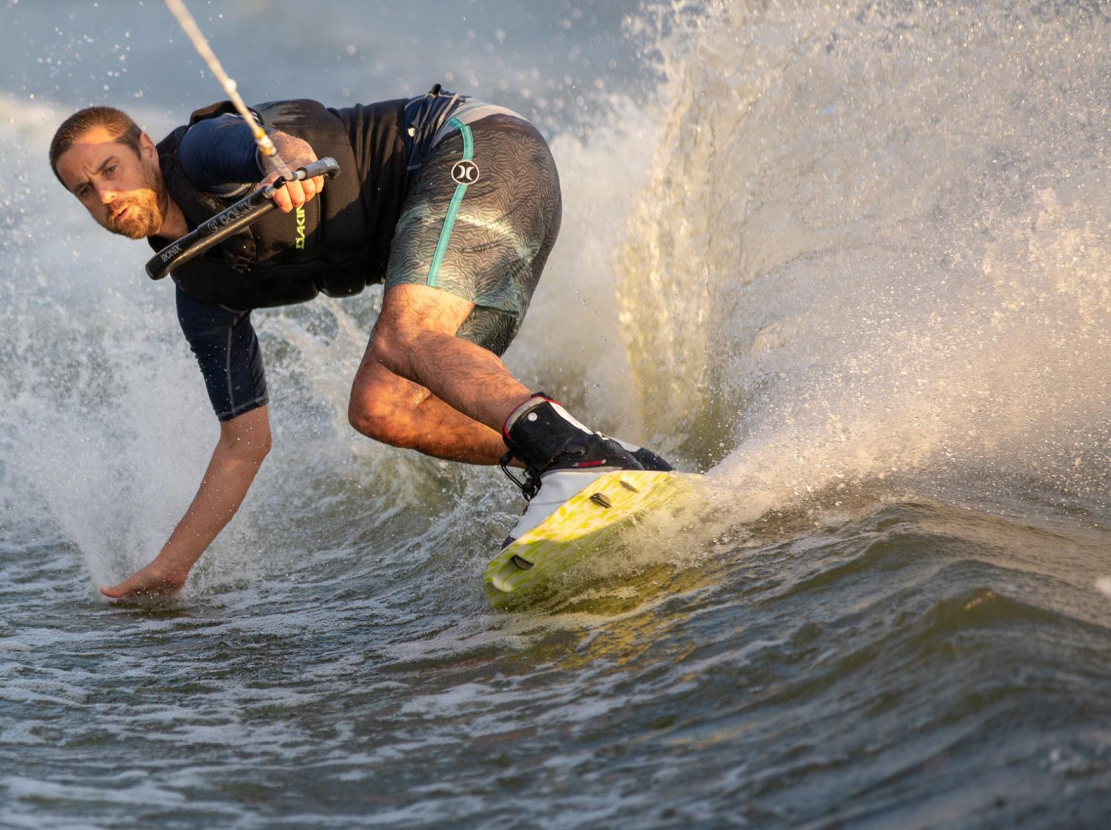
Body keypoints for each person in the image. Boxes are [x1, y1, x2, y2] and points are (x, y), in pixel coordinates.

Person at [49, 87, 669, 600]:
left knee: (407, 335)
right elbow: (245, 443)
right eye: (84, 190)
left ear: (145, 153)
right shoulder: (204, 293)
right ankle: (626, 468)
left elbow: (266, 140)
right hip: (471, 213)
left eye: (111, 170)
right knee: (380, 406)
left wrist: (280, 163)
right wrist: (171, 567)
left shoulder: (199, 154)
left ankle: (576, 459)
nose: (105, 196)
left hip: (477, 150)